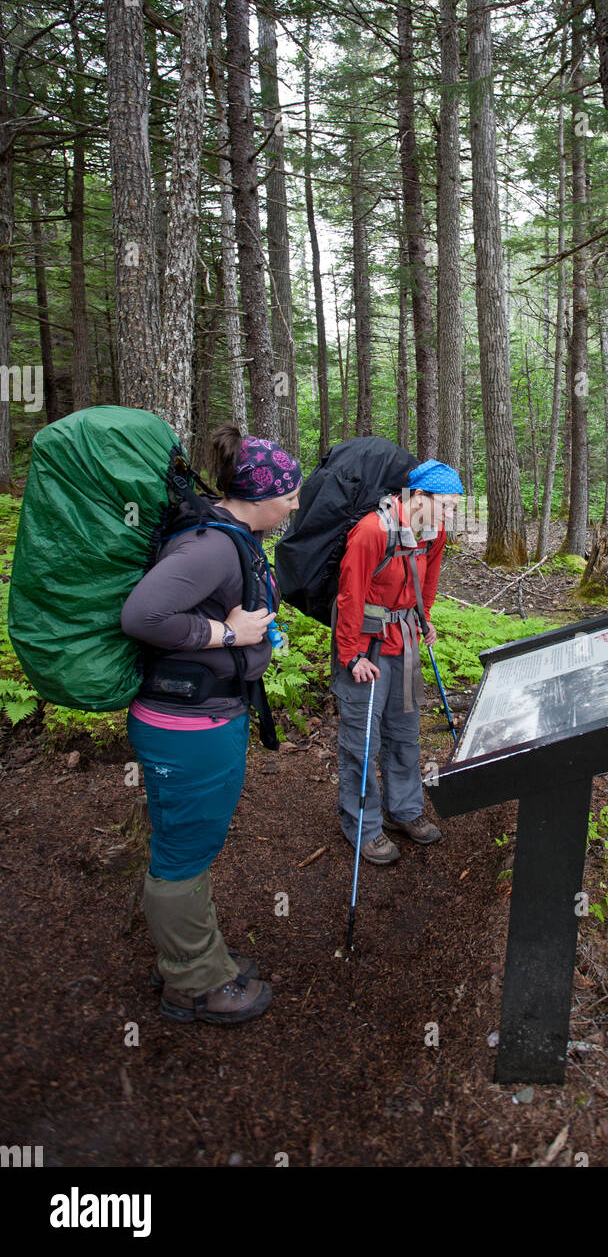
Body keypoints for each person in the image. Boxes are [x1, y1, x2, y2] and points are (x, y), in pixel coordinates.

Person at [121, 426, 302, 1024]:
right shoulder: (213, 547)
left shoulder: (233, 536)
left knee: (190, 841)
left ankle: (194, 955)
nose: (297, 501)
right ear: (259, 495)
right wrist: (228, 634)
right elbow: (143, 615)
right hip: (186, 726)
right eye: (290, 491)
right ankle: (193, 983)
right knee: (183, 850)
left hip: (204, 718)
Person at [331, 459, 463, 865]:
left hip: (404, 641)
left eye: (457, 506)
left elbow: (429, 578)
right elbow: (350, 593)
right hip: (366, 648)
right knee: (362, 741)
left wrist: (424, 617)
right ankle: (362, 826)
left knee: (405, 731)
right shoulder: (372, 531)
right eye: (447, 505)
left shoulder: (433, 530)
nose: (453, 515)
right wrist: (350, 653)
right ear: (419, 497)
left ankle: (403, 810)